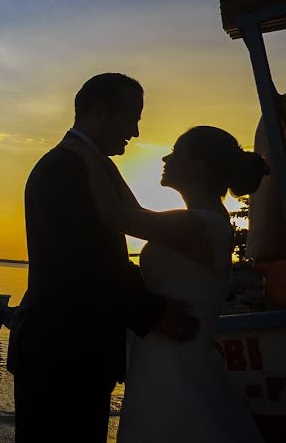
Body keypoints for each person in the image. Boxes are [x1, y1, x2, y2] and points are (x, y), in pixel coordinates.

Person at [6, 73, 199, 442]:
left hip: (79, 351)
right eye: (132, 117)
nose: (137, 131)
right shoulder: (62, 170)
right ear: (99, 111)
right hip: (59, 352)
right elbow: (78, 267)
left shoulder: (94, 166)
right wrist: (153, 312)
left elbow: (115, 246)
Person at [64, 125, 268, 442]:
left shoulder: (195, 224)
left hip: (174, 365)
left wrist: (88, 156)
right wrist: (105, 161)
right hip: (168, 356)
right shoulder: (201, 220)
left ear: (198, 165)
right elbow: (134, 212)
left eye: (175, 152)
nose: (165, 157)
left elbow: (115, 216)